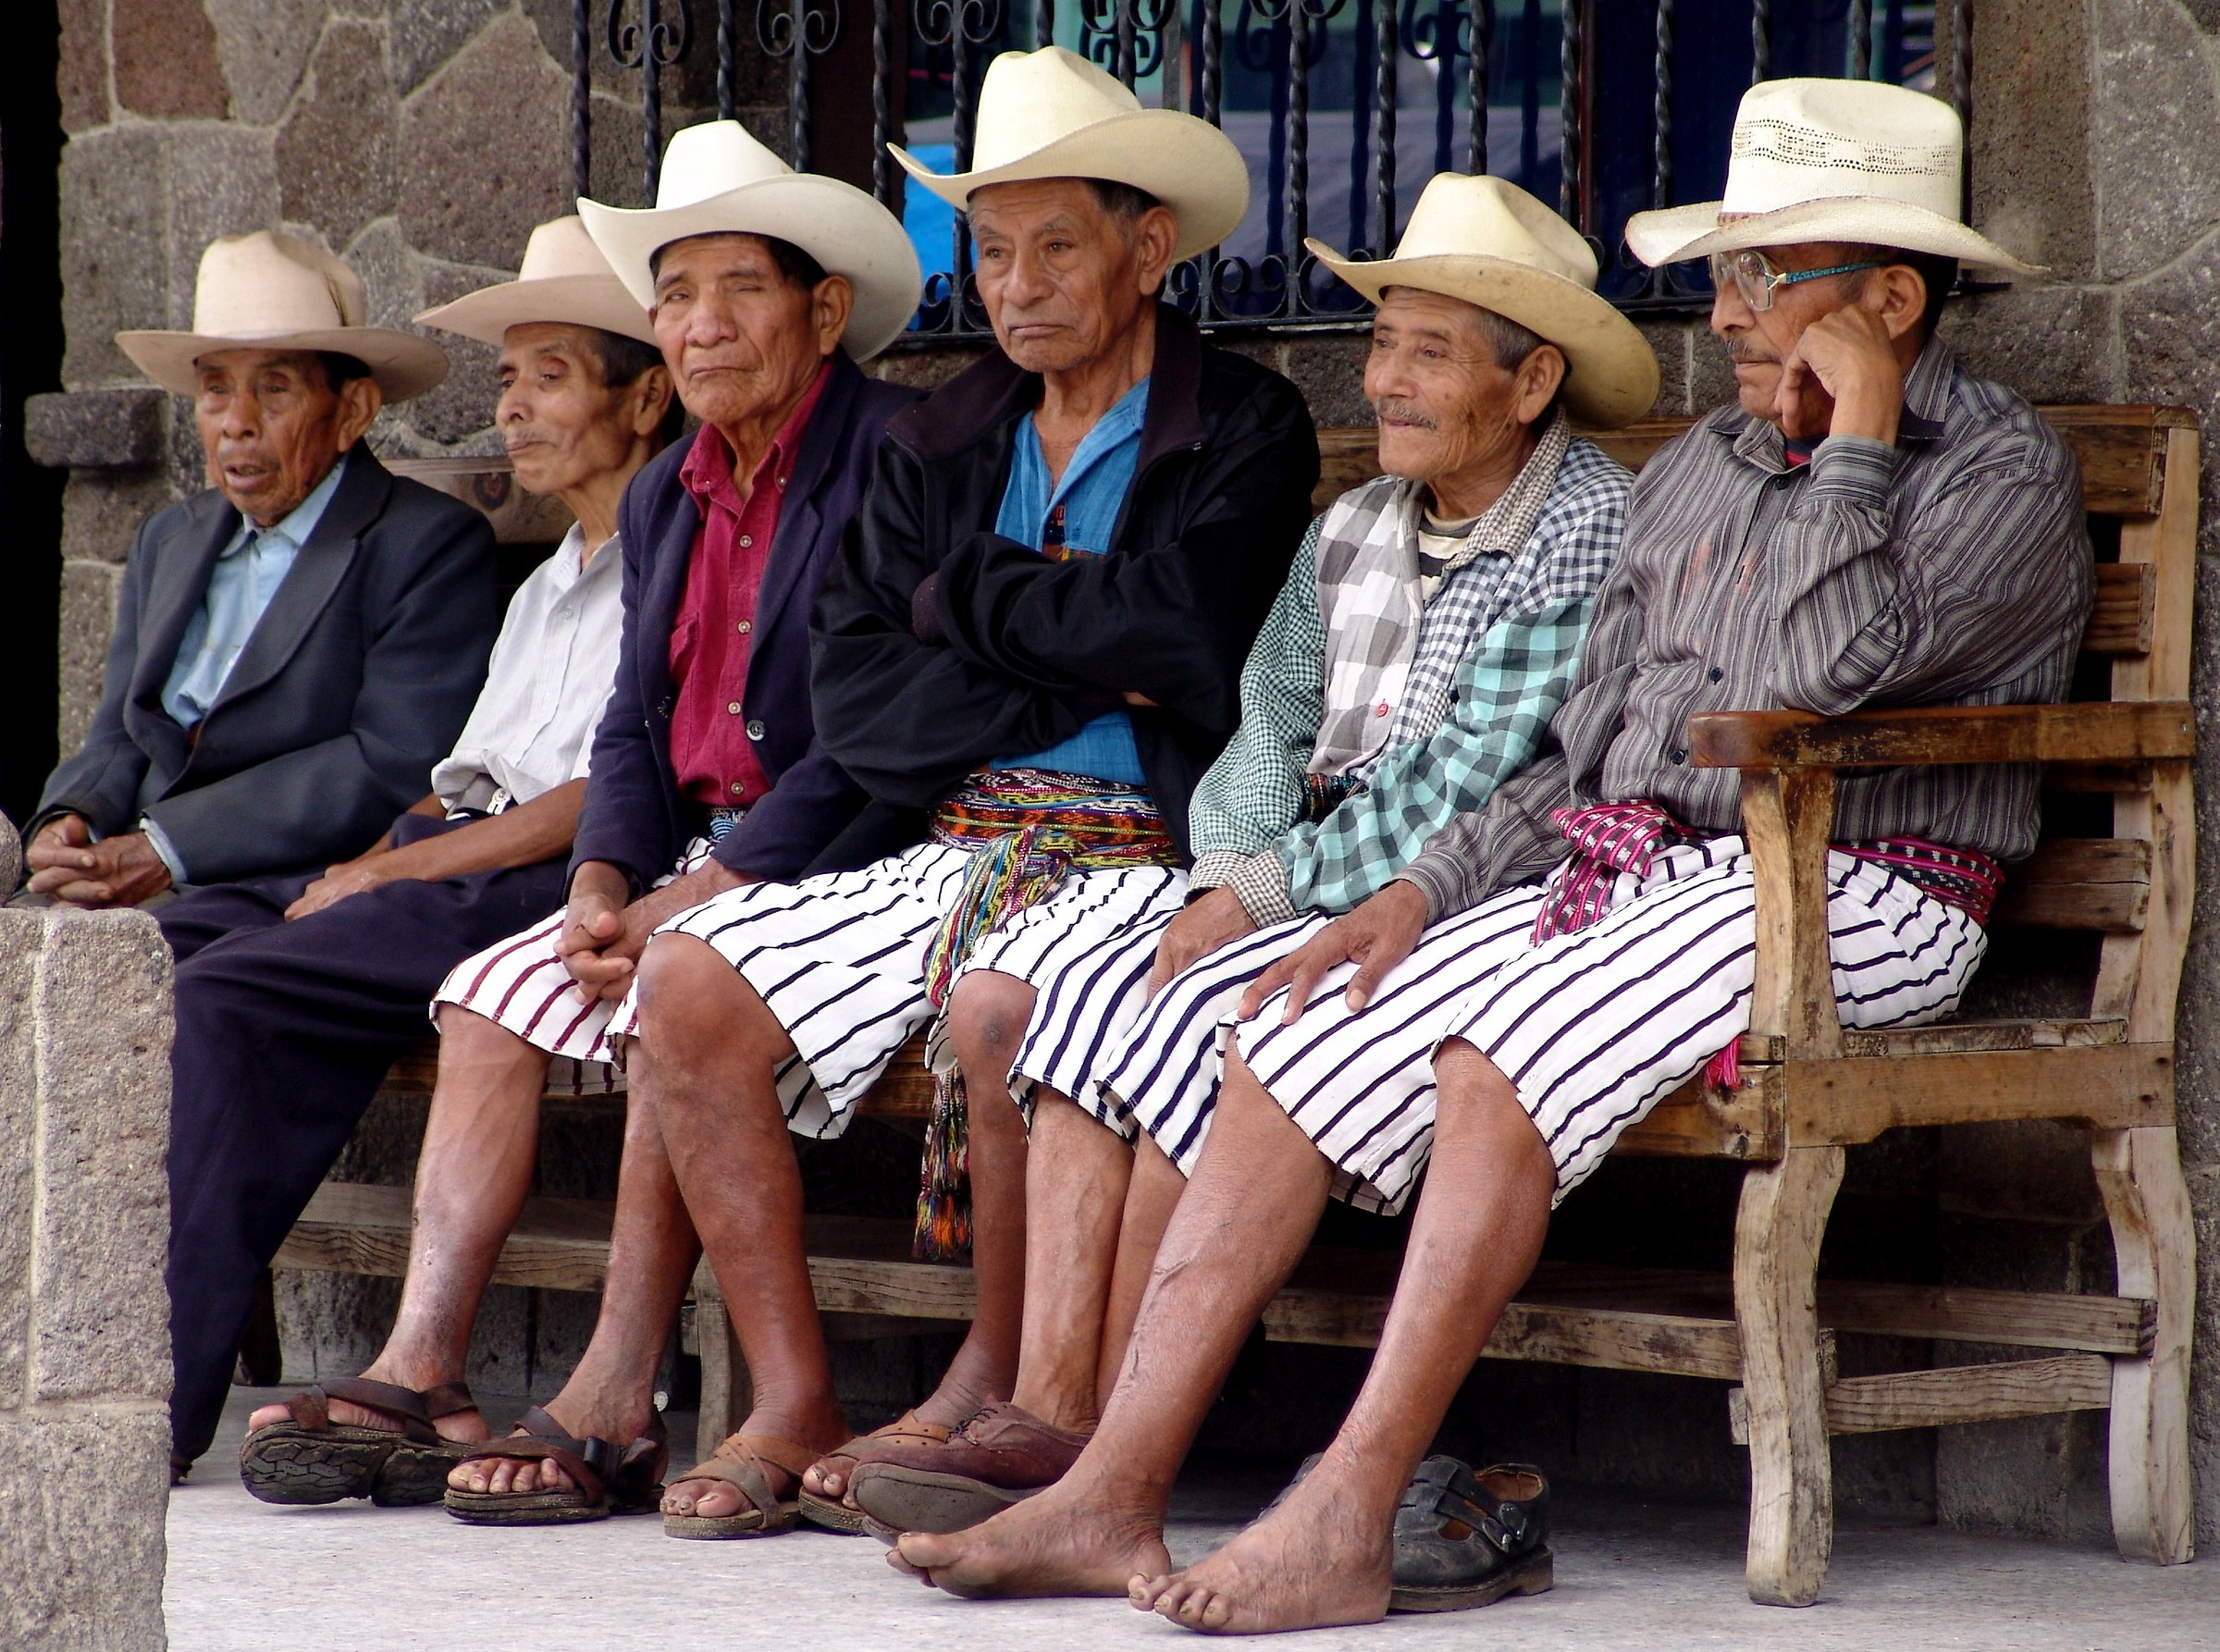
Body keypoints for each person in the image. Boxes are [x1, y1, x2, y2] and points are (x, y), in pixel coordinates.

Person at [891, 78, 2092, 1633]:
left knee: (1485, 1051)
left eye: (1763, 276)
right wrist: (1415, 891)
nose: (1724, 312)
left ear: (1893, 297)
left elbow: (1821, 673)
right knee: (1285, 1024)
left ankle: (1348, 1507)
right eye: (1722, 272)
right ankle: (1114, 1485)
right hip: (1644, 868)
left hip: (1859, 881)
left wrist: (1856, 433)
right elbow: (1589, 750)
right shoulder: (1706, 469)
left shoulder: (1997, 467)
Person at [440, 46, 1318, 1536]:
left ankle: (994, 1378)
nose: (1017, 281)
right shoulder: (942, 433)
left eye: (1058, 243)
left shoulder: (1244, 421)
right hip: (949, 837)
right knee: (689, 977)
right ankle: (790, 1396)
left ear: (1148, 246)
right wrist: (1081, 639)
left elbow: (1193, 646)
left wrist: (971, 602)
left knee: (1007, 1003)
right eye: (991, 247)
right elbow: (865, 701)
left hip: (1145, 851)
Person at [844, 174, 1656, 1536]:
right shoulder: (1354, 525)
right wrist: (1231, 867)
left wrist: (1264, 895)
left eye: (1429, 353)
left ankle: (1106, 1433)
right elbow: (1266, 719)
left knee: (1198, 1021)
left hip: (1456, 892)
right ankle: (1052, 1402)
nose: (1385, 381)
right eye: (1383, 343)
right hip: (1300, 869)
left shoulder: (1582, 525)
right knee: (1076, 991)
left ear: (1532, 383)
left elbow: (1473, 780)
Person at [230, 119, 924, 1512]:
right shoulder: (674, 486)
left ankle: (618, 1388)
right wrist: (606, 873)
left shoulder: (891, 453)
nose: (700, 325)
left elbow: (876, 746)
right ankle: (424, 1365)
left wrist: (686, 894)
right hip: (684, 862)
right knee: (493, 993)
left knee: (674, 980)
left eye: (739, 289)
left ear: (824, 309)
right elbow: (628, 731)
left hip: (844, 845)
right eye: (674, 295)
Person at [154, 216, 676, 1482]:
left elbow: (588, 803)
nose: (513, 408)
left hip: (547, 878)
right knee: (154, 948)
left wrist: (381, 873)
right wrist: (372, 864)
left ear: (646, 394)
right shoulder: (558, 569)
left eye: (550, 375)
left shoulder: (672, 552)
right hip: (448, 851)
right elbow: (462, 777)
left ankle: (151, 1387)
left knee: (232, 991)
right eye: (506, 377)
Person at [21, 230, 496, 906]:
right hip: (128, 867)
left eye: (274, 389)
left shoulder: (428, 544)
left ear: (352, 411)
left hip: (281, 887)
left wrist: (168, 847)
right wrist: (75, 816)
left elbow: (391, 761)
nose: (237, 423)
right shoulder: (169, 538)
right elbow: (121, 728)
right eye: (216, 391)